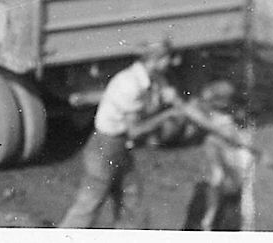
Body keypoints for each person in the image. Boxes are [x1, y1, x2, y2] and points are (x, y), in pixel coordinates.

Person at [58, 39, 181, 229]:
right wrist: (167, 115)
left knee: (131, 198)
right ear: (155, 60)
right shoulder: (130, 84)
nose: (172, 63)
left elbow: (162, 94)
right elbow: (135, 130)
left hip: (119, 148)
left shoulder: (150, 78)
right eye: (168, 58)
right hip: (105, 147)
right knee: (89, 205)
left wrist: (170, 98)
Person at [179, 80, 257, 231]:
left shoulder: (229, 120)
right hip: (219, 153)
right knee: (217, 178)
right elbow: (189, 110)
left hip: (232, 157)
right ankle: (209, 218)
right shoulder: (212, 117)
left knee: (234, 187)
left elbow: (237, 140)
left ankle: (234, 222)